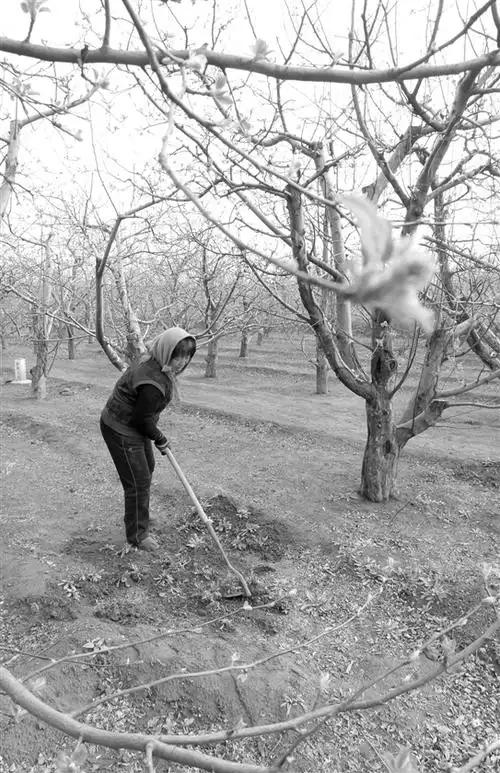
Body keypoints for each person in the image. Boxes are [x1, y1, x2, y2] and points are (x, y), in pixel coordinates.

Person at [100, 327, 196, 552]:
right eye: (178, 355)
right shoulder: (152, 381)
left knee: (147, 468)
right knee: (138, 480)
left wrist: (156, 437)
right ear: (166, 351)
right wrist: (161, 439)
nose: (182, 362)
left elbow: (143, 418)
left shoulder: (154, 362)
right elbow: (141, 419)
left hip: (132, 424)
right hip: (120, 427)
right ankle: (137, 534)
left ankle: (139, 514)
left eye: (187, 355)